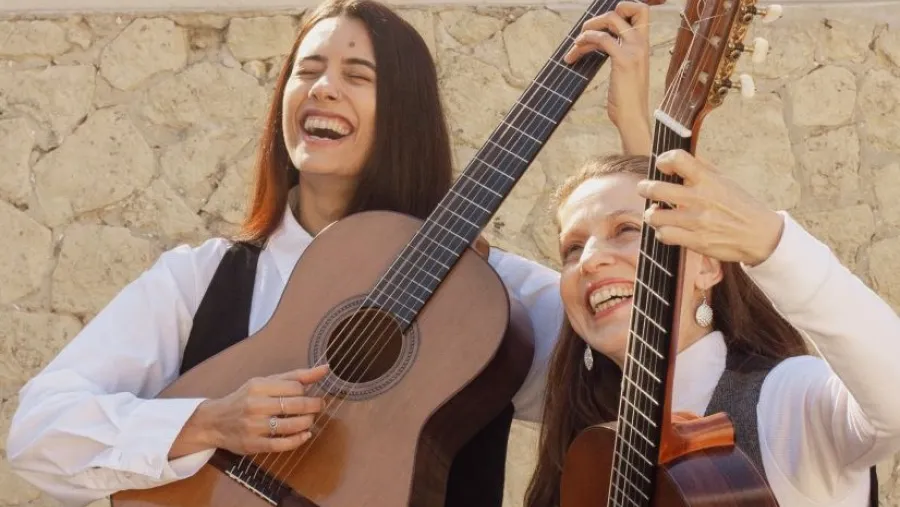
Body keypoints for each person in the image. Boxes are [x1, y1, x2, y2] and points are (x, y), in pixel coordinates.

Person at [2, 0, 606, 504]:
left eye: (358, 76)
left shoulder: (490, 292)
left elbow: (636, 390)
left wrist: (639, 137)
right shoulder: (201, 277)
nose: (323, 88)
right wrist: (208, 421)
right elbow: (38, 430)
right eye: (306, 70)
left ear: (405, 114)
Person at [524, 4, 900, 506]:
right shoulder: (587, 441)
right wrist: (635, 125)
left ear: (707, 266)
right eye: (572, 247)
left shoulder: (784, 401)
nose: (590, 259)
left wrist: (770, 241)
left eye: (625, 230)